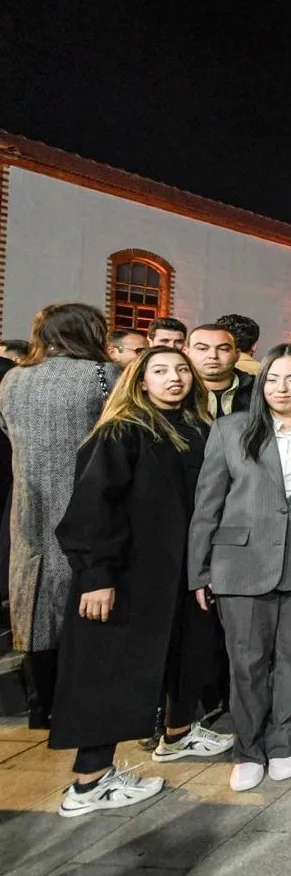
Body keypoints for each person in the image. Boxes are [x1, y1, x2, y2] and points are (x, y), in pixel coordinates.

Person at [49, 346, 227, 817]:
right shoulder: (122, 430)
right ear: (139, 380)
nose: (174, 378)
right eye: (160, 370)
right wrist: (96, 574)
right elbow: (93, 506)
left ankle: (178, 733)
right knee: (107, 673)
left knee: (184, 654)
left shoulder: (197, 429)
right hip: (126, 575)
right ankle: (90, 781)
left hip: (179, 572)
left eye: (181, 370)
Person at [187, 345, 291, 792]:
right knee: (246, 663)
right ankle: (248, 748)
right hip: (239, 563)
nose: (281, 389)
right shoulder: (231, 429)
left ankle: (283, 742)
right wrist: (199, 570)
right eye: (272, 379)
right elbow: (207, 504)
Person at [0, 304, 118, 730]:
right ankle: (84, 704)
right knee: (87, 597)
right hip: (87, 502)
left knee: (34, 599)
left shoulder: (13, 379)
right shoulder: (103, 375)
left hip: (28, 505)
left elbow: (7, 429)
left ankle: (41, 705)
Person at [187, 324, 251, 417]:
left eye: (223, 349)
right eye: (202, 349)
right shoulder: (175, 389)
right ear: (186, 352)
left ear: (237, 355)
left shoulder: (259, 389)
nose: (213, 356)